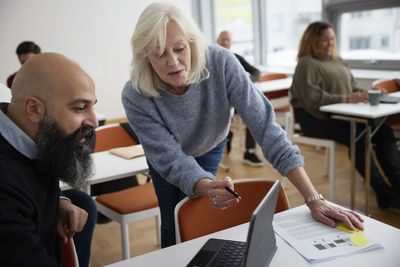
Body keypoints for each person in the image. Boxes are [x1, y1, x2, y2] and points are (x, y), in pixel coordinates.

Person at [122, 2, 364, 248]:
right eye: (159, 53)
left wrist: (313, 198)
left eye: (179, 49)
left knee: (196, 209)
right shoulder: (135, 94)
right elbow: (172, 160)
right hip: (168, 157)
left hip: (210, 142)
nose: (173, 62)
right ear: (145, 56)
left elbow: (266, 128)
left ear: (192, 43)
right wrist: (207, 187)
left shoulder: (221, 62)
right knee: (172, 219)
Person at [0, 53, 99, 265]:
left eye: (92, 106)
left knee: (82, 202)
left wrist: (58, 201)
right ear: (34, 109)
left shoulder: (23, 128)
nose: (94, 121)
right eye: (80, 108)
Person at [290, 21, 400, 209]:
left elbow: (352, 88)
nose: (329, 43)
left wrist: (365, 94)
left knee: (384, 130)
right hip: (314, 118)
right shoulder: (306, 64)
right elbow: (313, 99)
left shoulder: (338, 60)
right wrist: (346, 98)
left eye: (332, 38)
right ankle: (382, 192)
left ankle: (397, 187)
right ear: (312, 41)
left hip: (339, 115)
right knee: (359, 136)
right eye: (324, 39)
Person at [216, 30, 263, 167]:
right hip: (220, 102)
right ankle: (226, 135)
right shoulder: (211, 58)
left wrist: (250, 80)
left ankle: (249, 152)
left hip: (236, 100)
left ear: (231, 43)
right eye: (222, 39)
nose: (225, 42)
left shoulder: (236, 57)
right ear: (218, 41)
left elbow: (255, 71)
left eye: (227, 40)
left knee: (253, 112)